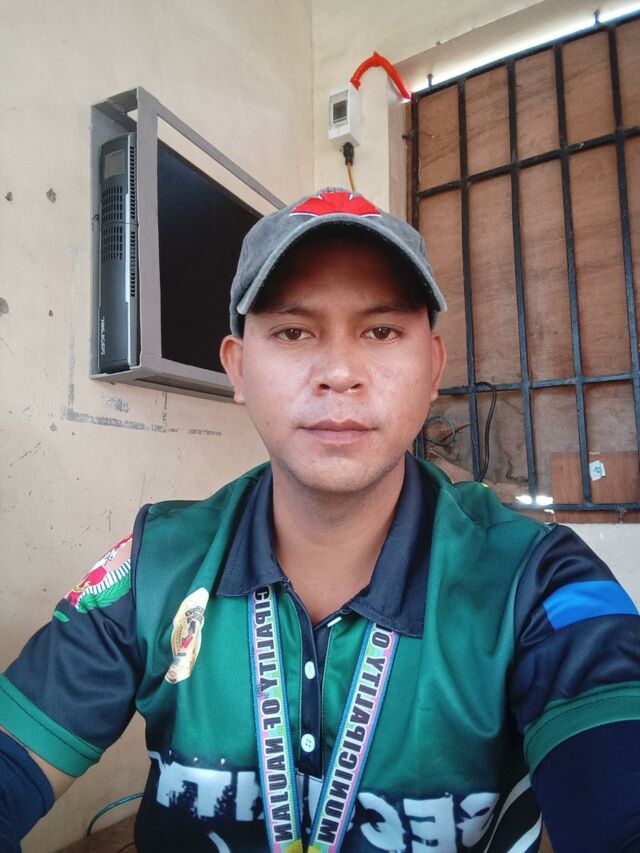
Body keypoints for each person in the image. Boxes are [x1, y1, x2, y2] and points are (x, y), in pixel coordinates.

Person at [1, 188, 640, 853]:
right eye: (293, 331)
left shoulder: (534, 579)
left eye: (381, 331)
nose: (339, 372)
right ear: (238, 367)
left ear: (433, 368)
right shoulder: (157, 564)